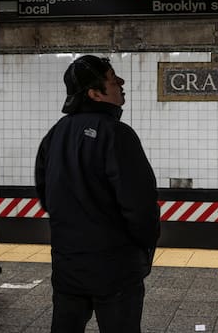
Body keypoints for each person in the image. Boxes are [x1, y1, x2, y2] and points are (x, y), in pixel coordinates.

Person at [35, 55, 160, 333]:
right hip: (114, 267)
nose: (121, 84)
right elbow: (140, 205)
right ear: (95, 93)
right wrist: (143, 248)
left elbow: (46, 194)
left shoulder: (55, 134)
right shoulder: (116, 134)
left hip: (68, 264)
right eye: (113, 80)